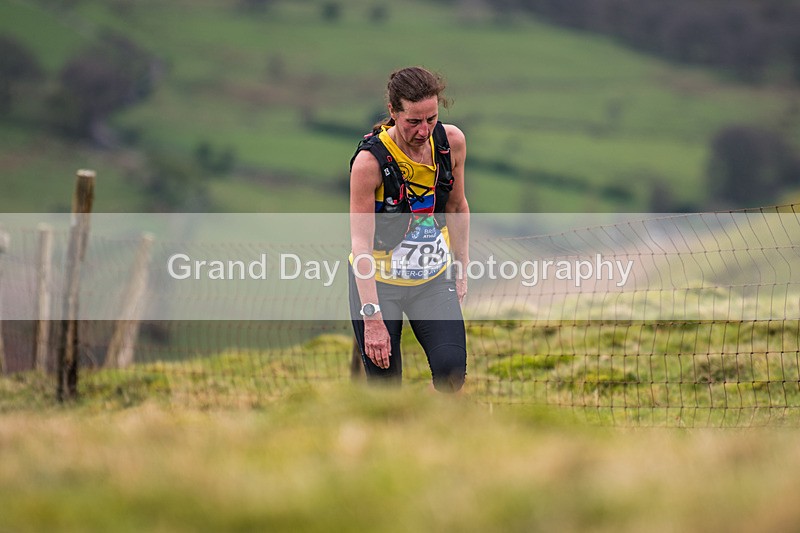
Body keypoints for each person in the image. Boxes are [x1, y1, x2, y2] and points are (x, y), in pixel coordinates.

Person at [348, 66, 470, 393]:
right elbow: (360, 243)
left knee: (451, 373)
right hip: (380, 284)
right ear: (393, 112)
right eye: (413, 121)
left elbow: (457, 206)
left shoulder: (451, 142)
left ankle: (428, 434)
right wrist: (371, 317)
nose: (424, 130)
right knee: (386, 390)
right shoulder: (370, 162)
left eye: (431, 119)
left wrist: (461, 266)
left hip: (432, 278)